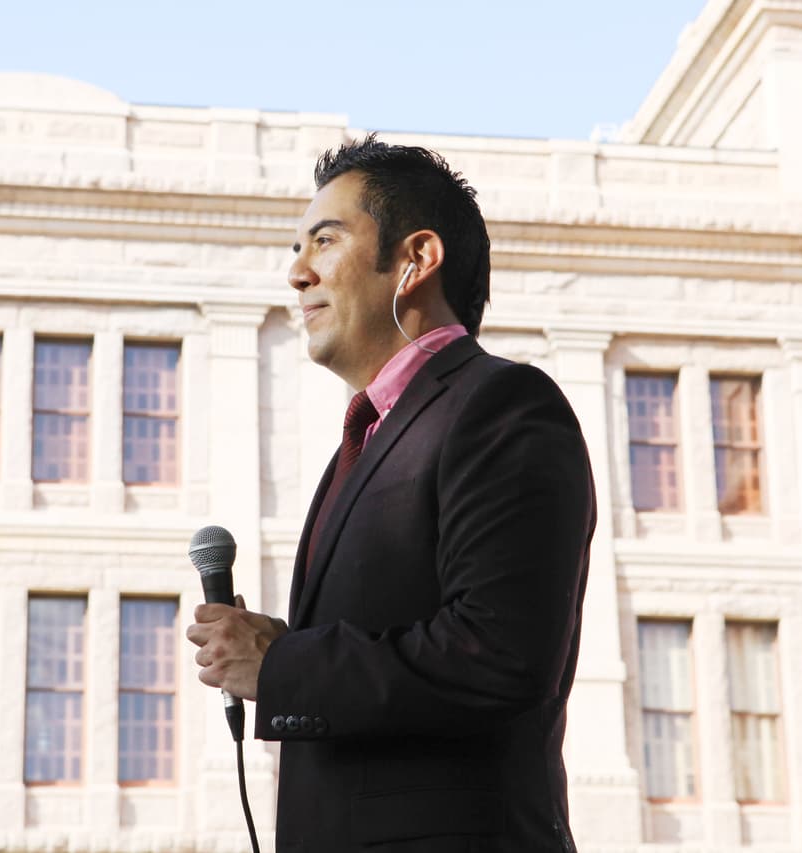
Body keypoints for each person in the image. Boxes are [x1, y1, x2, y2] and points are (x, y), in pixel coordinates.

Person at [185, 136, 595, 853]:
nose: (297, 272)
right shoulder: (364, 440)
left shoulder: (503, 404)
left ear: (416, 259)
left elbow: (499, 651)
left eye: (324, 240)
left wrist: (284, 667)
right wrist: (281, 648)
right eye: (296, 247)